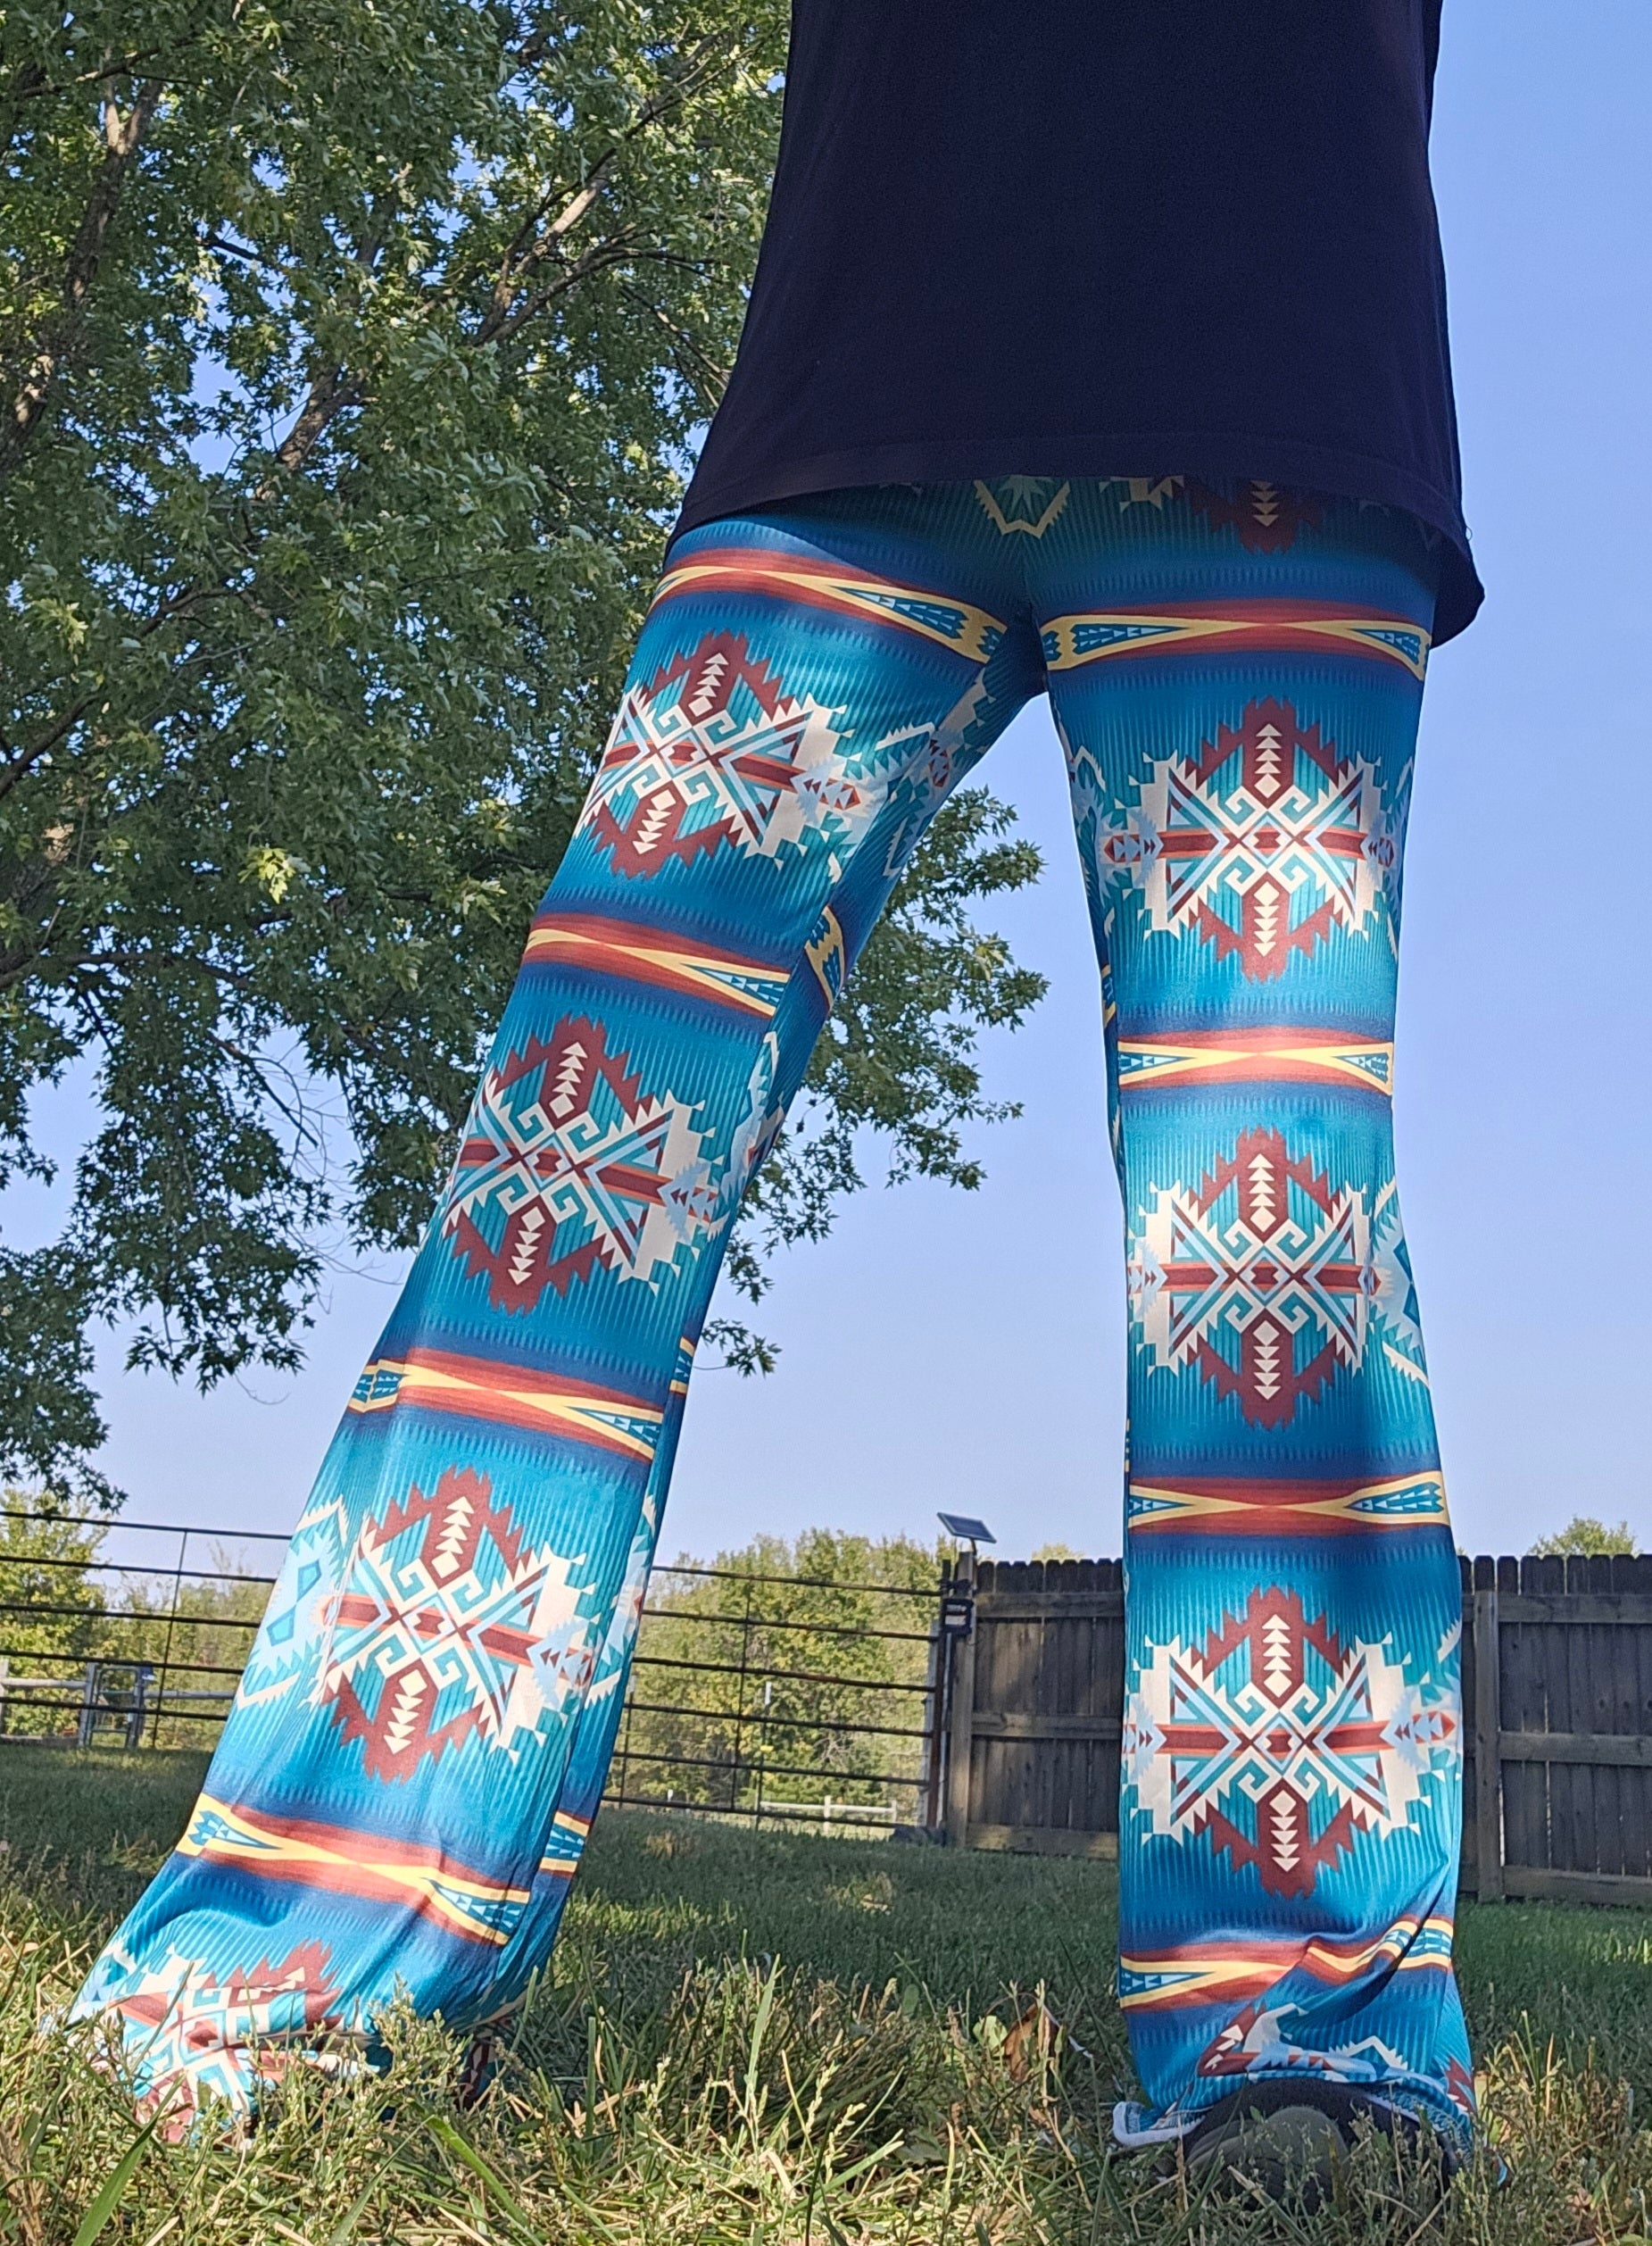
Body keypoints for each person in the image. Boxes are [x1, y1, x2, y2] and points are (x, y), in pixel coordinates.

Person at [74, 0, 1481, 2176]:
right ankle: (287, 1961)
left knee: (1264, 1225)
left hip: (1267, 393)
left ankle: (1304, 2037)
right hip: (845, 422)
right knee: (568, 1159)